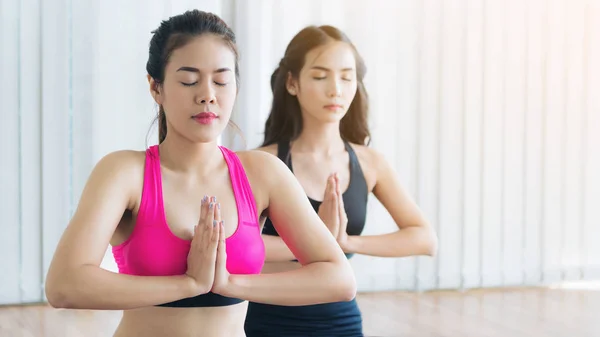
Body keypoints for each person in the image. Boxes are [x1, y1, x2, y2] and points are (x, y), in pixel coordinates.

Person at [44, 11, 356, 337]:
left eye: (221, 80)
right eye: (189, 80)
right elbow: (64, 285)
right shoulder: (124, 173)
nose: (207, 94)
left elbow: (338, 279)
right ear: (156, 87)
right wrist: (188, 284)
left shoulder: (263, 173)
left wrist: (229, 283)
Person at [244, 25, 438, 337]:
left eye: (347, 77)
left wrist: (346, 243)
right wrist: (319, 244)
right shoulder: (260, 163)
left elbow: (425, 239)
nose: (336, 89)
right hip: (267, 318)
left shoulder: (369, 162)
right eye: (321, 76)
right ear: (292, 83)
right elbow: (235, 245)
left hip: (339, 320)